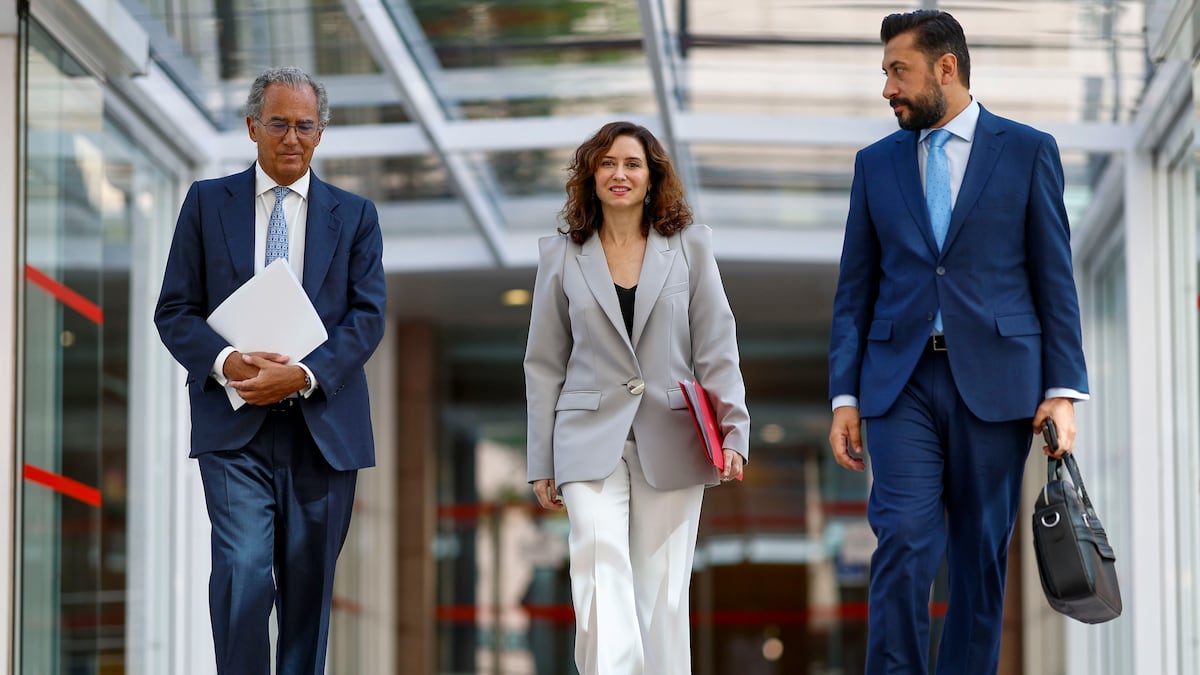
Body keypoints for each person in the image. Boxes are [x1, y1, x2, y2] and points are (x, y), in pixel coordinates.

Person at [827, 10, 1089, 674]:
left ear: (946, 68)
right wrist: (845, 394)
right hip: (899, 382)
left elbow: (1053, 275)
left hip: (998, 385)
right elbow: (854, 288)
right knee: (905, 540)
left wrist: (1063, 391)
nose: (887, 88)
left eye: (898, 71)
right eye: (885, 72)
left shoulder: (1029, 150)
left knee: (978, 554)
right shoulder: (875, 165)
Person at [154, 66, 386, 674]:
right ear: (253, 126)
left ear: (321, 132)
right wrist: (227, 361)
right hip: (234, 430)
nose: (292, 138)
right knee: (244, 571)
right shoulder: (207, 204)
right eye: (278, 124)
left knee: (308, 598)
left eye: (305, 126)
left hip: (323, 430)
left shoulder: (356, 215)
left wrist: (303, 375)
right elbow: (175, 311)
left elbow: (367, 318)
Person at [524, 120, 750, 675]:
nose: (619, 174)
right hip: (584, 437)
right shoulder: (561, 255)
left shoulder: (691, 247)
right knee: (599, 579)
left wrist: (733, 431)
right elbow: (544, 361)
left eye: (632, 164)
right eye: (606, 163)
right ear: (590, 175)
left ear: (653, 177)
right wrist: (540, 461)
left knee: (664, 595)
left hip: (673, 436)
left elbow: (717, 343)